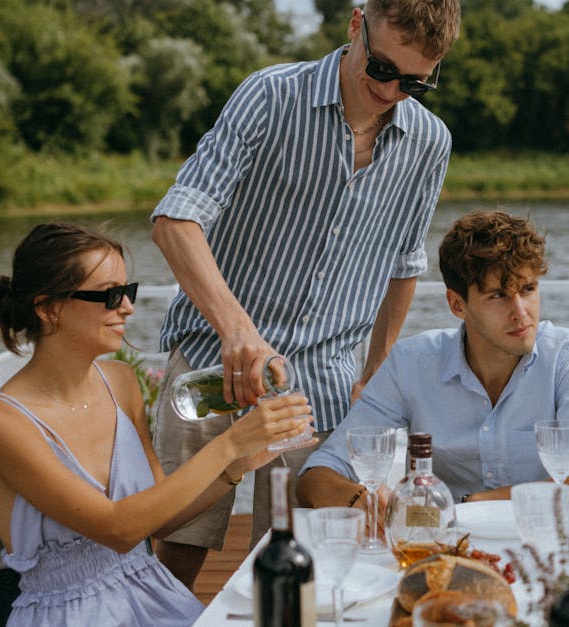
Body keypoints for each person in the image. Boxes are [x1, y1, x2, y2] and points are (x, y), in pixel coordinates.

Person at [148, 0, 462, 587]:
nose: (393, 92)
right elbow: (175, 221)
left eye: (416, 82)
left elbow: (403, 262)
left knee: (310, 567)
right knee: (178, 555)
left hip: (321, 390)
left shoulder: (430, 141)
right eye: (383, 69)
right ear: (355, 24)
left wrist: (376, 371)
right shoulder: (269, 95)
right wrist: (238, 331)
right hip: (211, 370)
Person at [0, 223, 312, 625]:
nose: (127, 307)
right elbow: (119, 530)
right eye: (111, 295)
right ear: (48, 308)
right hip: (67, 614)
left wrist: (238, 466)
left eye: (127, 292)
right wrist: (229, 444)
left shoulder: (121, 382)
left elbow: (159, 521)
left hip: (150, 591)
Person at [297, 210, 569, 516]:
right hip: (447, 547)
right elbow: (315, 479)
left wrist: (475, 504)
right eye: (498, 296)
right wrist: (362, 499)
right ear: (457, 304)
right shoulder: (412, 363)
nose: (521, 312)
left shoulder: (567, 356)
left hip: (545, 545)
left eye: (528, 289)